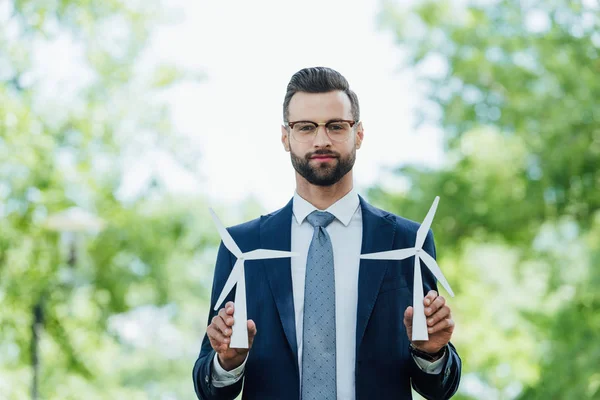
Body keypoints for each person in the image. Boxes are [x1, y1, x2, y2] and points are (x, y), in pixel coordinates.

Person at [193, 67, 461, 400]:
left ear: (359, 134)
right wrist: (227, 362)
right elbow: (209, 386)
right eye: (305, 127)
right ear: (285, 137)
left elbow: (438, 388)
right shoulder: (243, 247)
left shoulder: (409, 242)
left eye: (336, 126)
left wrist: (431, 354)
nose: (322, 139)